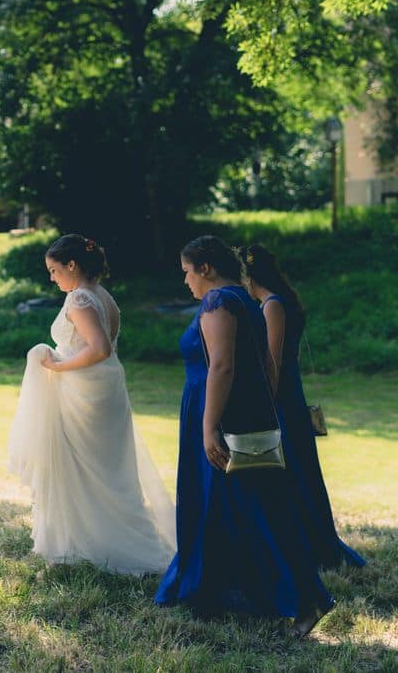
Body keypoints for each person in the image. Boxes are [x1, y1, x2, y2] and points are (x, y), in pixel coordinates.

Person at [154, 235, 333, 637]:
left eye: (187, 272)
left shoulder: (219, 302)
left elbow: (222, 366)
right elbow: (266, 363)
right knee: (240, 506)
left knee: (251, 506)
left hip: (220, 416)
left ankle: (304, 598)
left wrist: (209, 426)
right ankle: (226, 592)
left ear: (205, 268)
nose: (185, 281)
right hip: (239, 412)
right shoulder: (247, 300)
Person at [7, 234, 175, 575]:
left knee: (79, 468)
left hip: (83, 395)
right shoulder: (103, 295)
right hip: (104, 390)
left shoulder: (80, 298)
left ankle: (90, 546)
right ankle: (98, 541)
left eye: (54, 270)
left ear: (72, 265)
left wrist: (57, 366)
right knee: (107, 470)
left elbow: (99, 349)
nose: (52, 278)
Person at [236, 243, 365, 569]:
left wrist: (264, 403)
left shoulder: (272, 306)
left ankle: (311, 544)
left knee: (293, 466)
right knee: (293, 466)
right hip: (286, 392)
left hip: (282, 395)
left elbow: (273, 362)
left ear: (248, 276)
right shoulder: (274, 302)